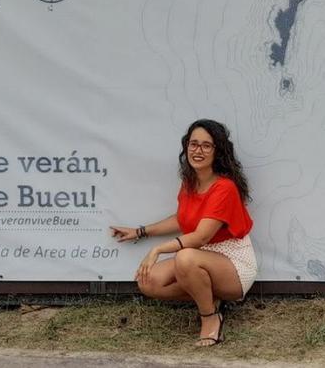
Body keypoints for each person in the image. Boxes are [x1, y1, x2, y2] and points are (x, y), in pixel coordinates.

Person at [110, 119, 256, 347]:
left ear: (218, 152)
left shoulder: (224, 187)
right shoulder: (190, 183)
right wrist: (140, 231)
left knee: (185, 257)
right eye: (193, 144)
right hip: (200, 257)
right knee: (148, 282)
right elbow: (182, 219)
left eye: (206, 145)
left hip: (233, 262)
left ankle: (209, 318)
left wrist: (159, 249)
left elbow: (201, 237)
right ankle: (211, 299)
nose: (198, 150)